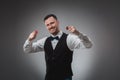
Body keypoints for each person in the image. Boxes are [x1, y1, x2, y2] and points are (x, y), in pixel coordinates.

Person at [23, 14, 93, 80]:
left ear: (58, 22)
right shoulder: (44, 41)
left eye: (52, 23)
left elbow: (89, 45)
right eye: (47, 25)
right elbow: (27, 50)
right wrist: (30, 39)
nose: (50, 26)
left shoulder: (69, 39)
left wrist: (77, 33)